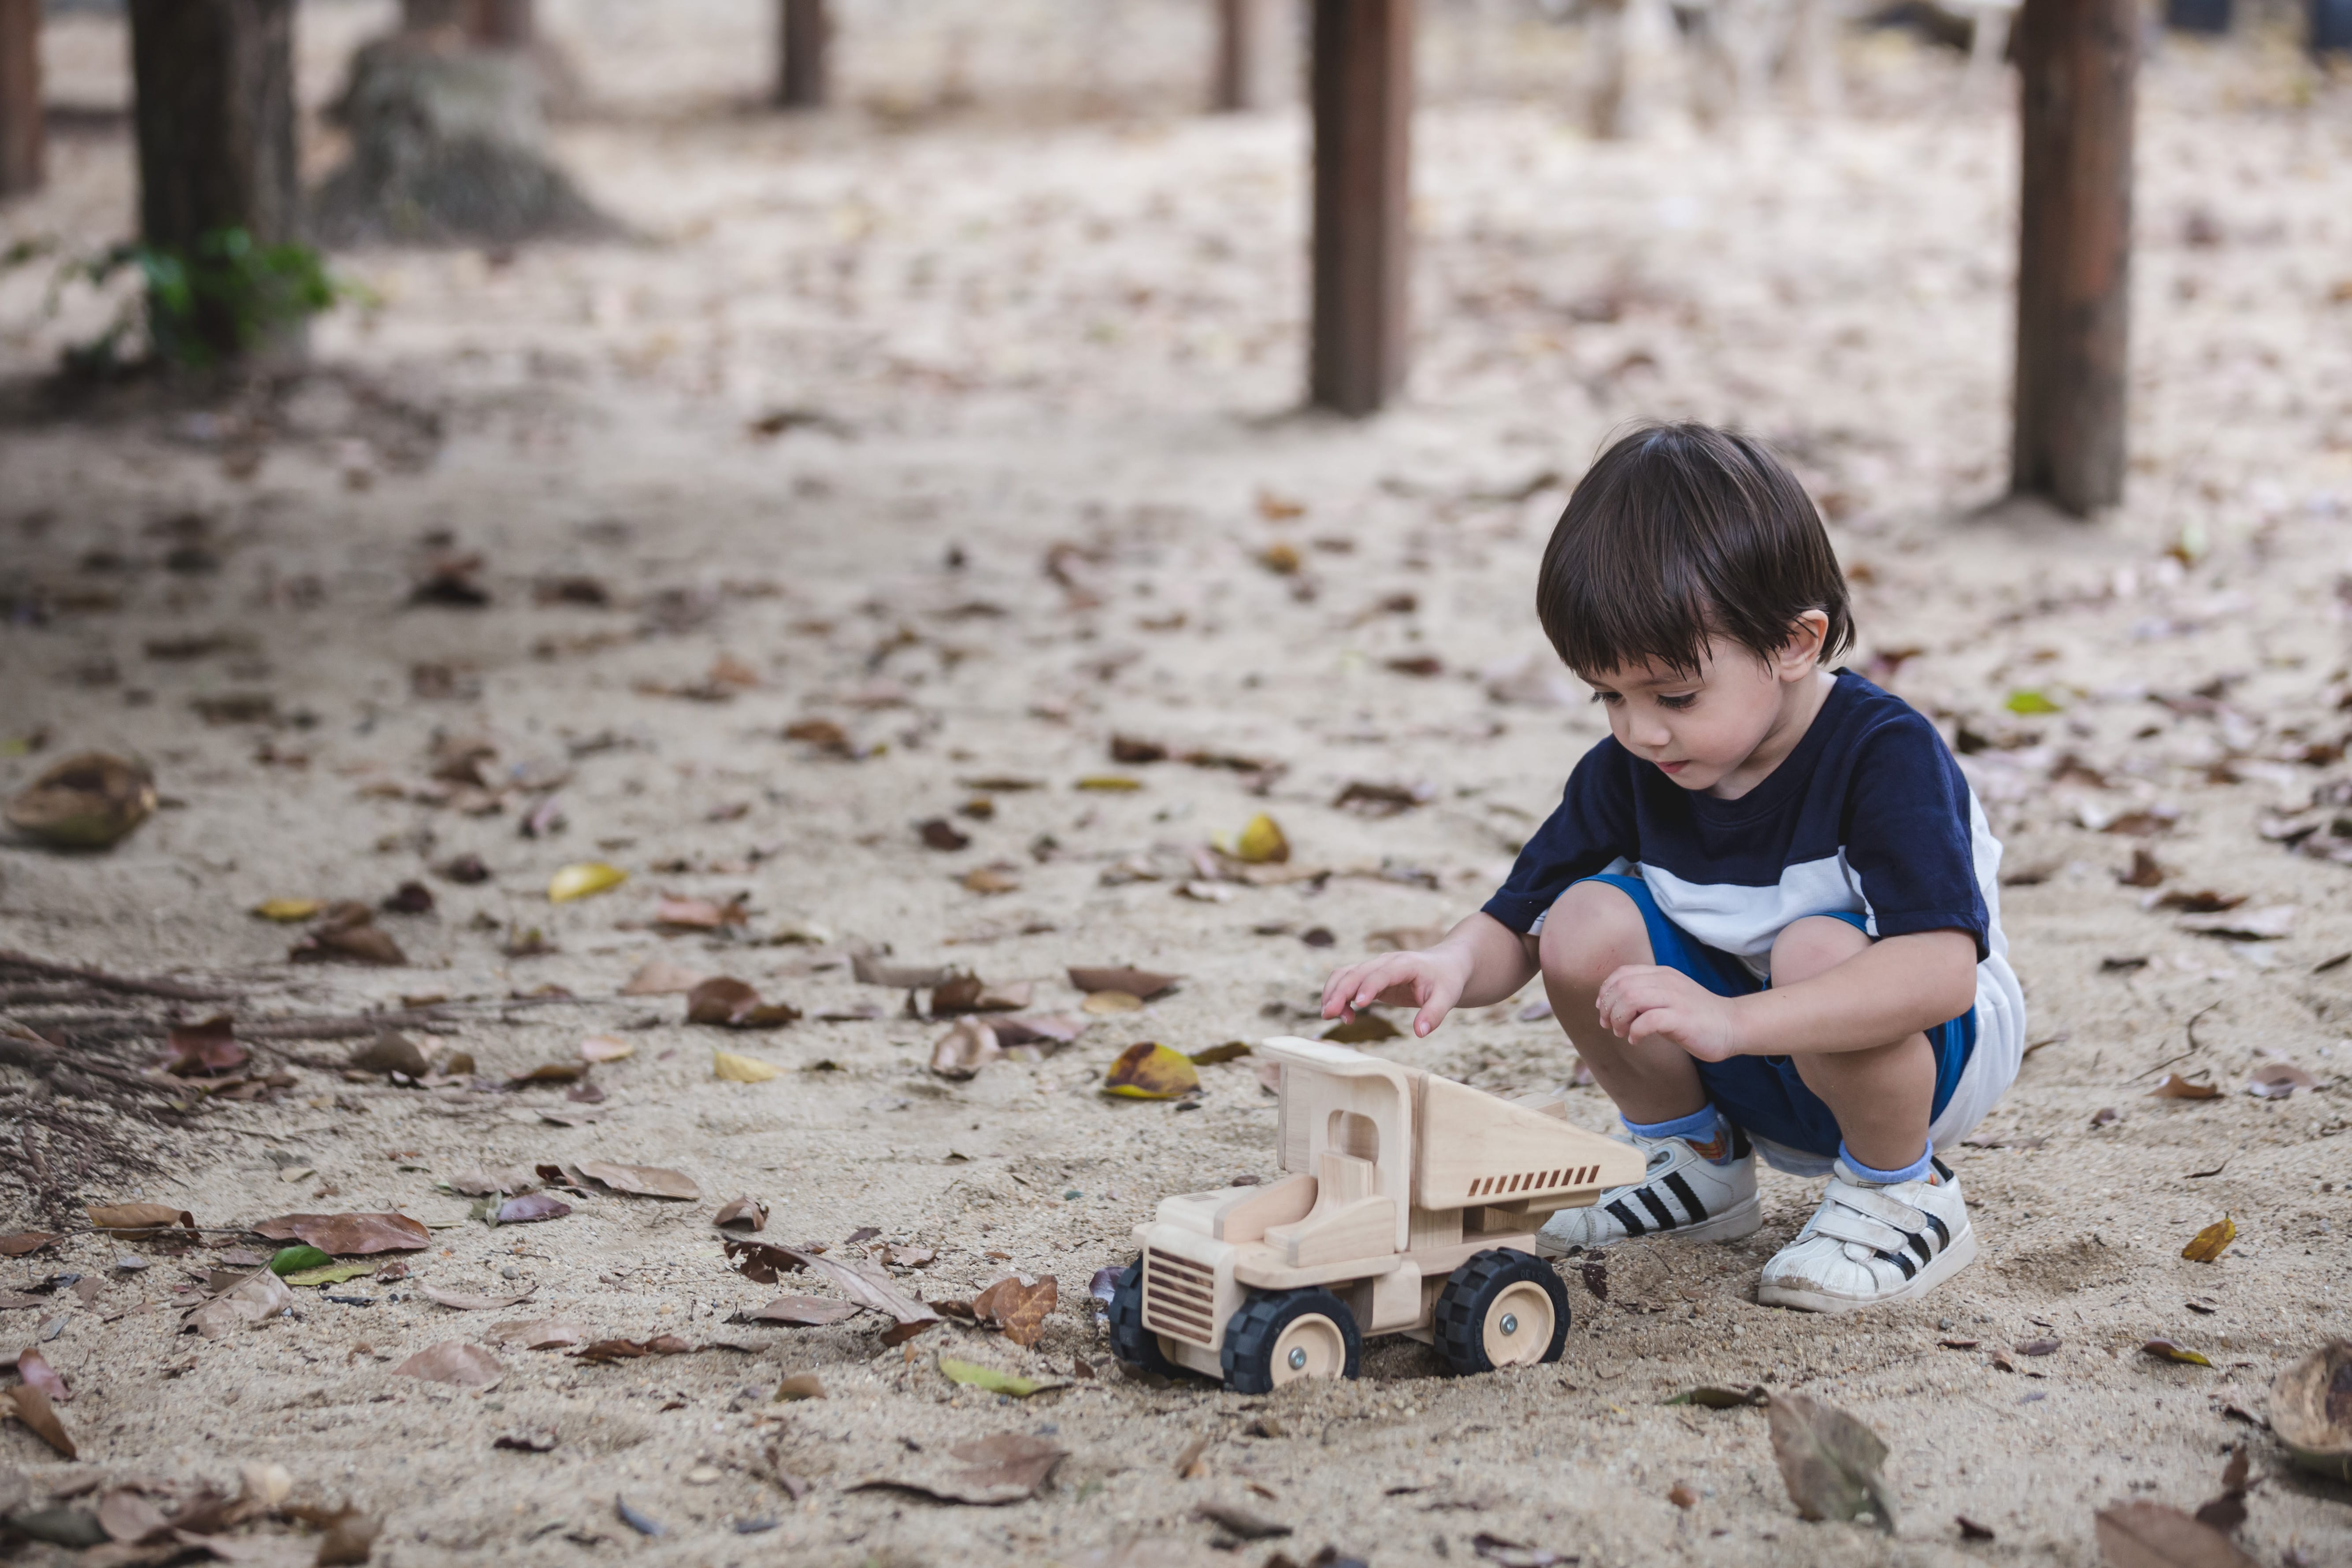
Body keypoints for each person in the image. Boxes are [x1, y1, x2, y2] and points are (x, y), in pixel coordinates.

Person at [1319, 422, 2023, 1312]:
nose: (1638, 730)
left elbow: (1938, 974)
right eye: (1608, 694)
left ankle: (1898, 1195)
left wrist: (1737, 1017)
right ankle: (1694, 1165)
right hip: (1736, 1044)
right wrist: (1450, 964)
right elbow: (1519, 922)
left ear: (1794, 643)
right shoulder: (1634, 769)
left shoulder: (1884, 756)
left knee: (1813, 944)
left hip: (1919, 1059)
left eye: (1674, 696)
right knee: (1581, 918)